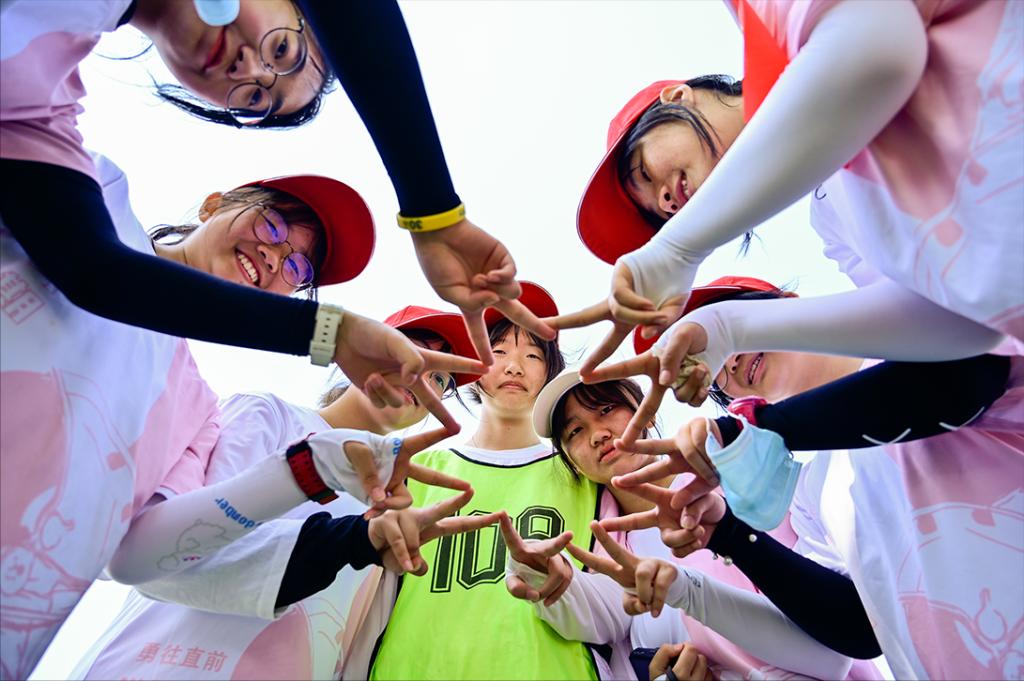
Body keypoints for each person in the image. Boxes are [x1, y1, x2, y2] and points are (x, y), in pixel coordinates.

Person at [0, 0, 551, 395]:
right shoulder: (105, 183)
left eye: (255, 99)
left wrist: (330, 334)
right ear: (218, 202)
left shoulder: (29, 111)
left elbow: (93, 273)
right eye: (283, 48)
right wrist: (434, 214)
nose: (252, 68)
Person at [559, 0, 1021, 401]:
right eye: (659, 216)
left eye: (643, 171)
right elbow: (968, 324)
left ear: (677, 98)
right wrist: (729, 327)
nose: (664, 202)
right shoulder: (834, 219)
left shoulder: (766, 25)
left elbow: (878, 47)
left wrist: (680, 246)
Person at [604, 278, 1023, 679]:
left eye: (728, 331)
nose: (728, 360)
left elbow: (962, 379)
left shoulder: (929, 343)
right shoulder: (811, 493)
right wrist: (727, 535)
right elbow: (861, 629)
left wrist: (763, 430)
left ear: (791, 306)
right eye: (710, 369)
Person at [72, 305, 503, 681]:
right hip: (163, 666)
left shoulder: (398, 499)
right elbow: (171, 557)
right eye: (413, 352)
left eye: (441, 378)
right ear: (365, 351)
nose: (422, 378)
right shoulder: (269, 415)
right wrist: (351, 538)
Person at [505, 367, 873, 681]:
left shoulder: (744, 485)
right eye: (574, 432)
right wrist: (537, 571)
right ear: (572, 461)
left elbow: (837, 637)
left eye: (606, 409)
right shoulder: (605, 550)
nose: (597, 434)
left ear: (647, 414)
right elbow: (593, 613)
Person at [361, 283, 613, 680]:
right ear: (471, 367)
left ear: (550, 372)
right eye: (498, 352)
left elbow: (622, 605)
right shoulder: (416, 469)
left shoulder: (583, 475)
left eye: (533, 355)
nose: (515, 366)